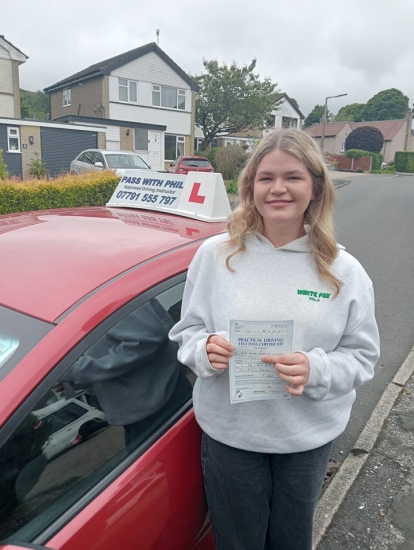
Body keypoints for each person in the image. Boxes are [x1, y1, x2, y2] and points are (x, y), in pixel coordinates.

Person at [169, 128, 380, 550]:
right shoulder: (214, 256)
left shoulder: (344, 270)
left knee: (290, 540)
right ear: (250, 187)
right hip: (231, 436)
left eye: (293, 177)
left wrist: (317, 369)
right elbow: (185, 332)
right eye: (266, 178)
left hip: (305, 440)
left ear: (316, 186)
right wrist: (204, 351)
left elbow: (363, 357)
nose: (278, 188)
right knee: (238, 541)